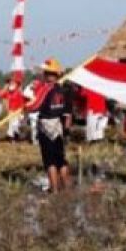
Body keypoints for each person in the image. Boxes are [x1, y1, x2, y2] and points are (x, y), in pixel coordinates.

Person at [27, 58, 72, 192]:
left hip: (46, 126)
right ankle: (67, 188)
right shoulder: (64, 90)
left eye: (46, 73)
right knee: (61, 160)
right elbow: (68, 114)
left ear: (49, 74)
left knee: (50, 161)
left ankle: (54, 189)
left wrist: (25, 108)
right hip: (58, 127)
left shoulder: (46, 89)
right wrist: (67, 132)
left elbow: (35, 106)